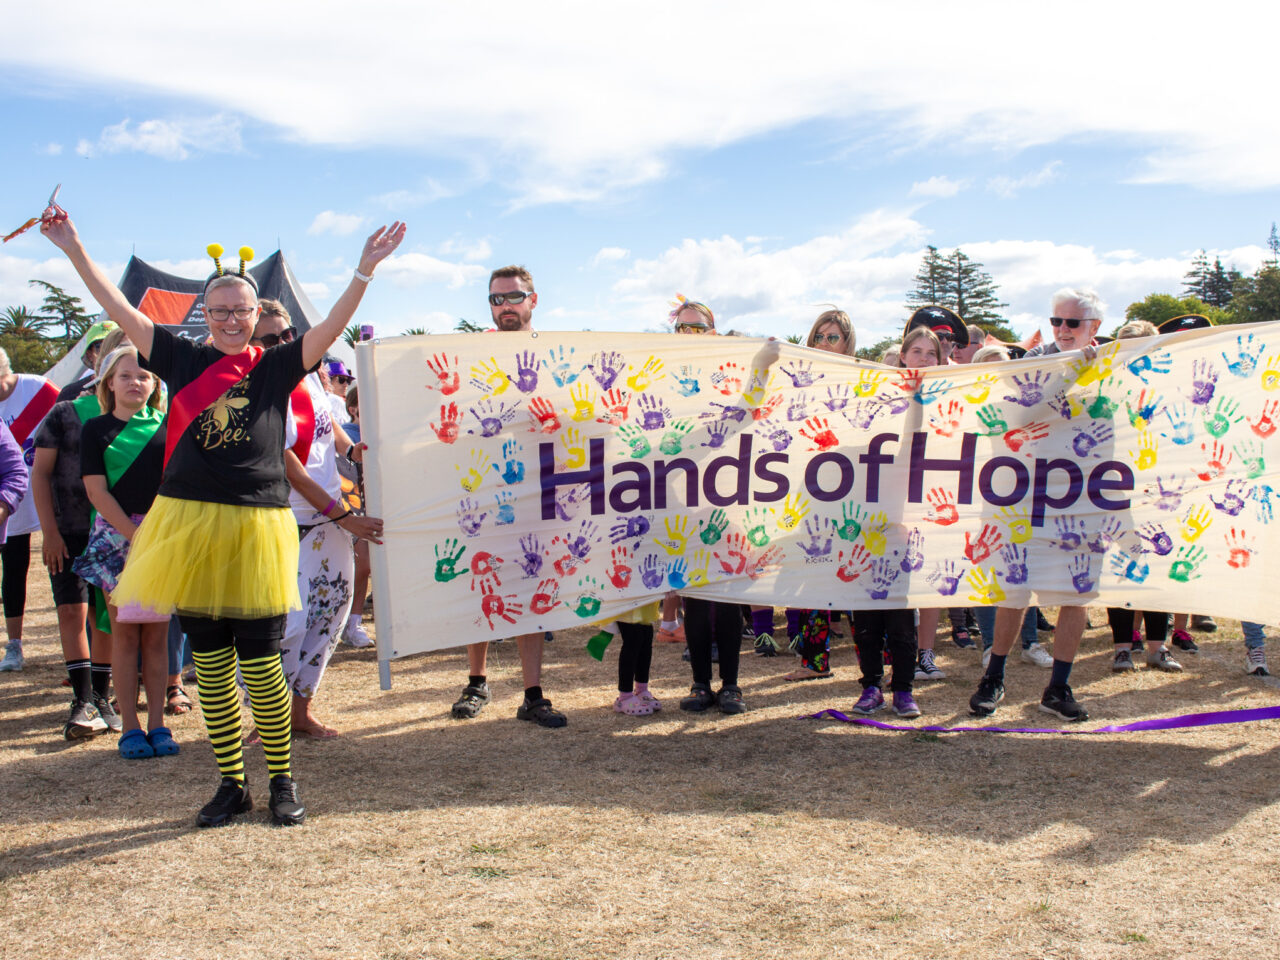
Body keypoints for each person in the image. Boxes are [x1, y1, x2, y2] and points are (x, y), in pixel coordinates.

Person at [43, 207, 404, 826]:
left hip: (256, 523)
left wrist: (363, 272)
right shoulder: (177, 358)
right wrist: (74, 248)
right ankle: (231, 783)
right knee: (209, 662)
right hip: (186, 523)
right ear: (204, 316)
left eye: (243, 310)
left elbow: (330, 328)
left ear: (257, 314)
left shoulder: (276, 365)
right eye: (221, 311)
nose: (233, 319)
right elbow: (117, 305)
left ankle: (283, 782)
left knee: (262, 662)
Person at [969, 289, 1103, 722]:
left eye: (1072, 323)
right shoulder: (1031, 364)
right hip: (1024, 496)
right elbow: (1020, 418)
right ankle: (993, 677)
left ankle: (1058, 687)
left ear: (1094, 327)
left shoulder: (1114, 368)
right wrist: (1071, 374)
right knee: (1014, 589)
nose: (1062, 330)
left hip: (1082, 496)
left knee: (1076, 593)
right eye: (1056, 321)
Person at [255, 300, 384, 738]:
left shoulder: (310, 377)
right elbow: (288, 464)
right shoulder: (255, 387)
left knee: (330, 613)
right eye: (269, 339)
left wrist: (353, 452)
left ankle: (300, 710)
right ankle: (268, 717)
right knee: (287, 623)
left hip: (329, 520)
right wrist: (345, 517)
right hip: (285, 521)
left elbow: (328, 422)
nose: (282, 344)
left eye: (286, 335)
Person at [451, 265, 567, 728]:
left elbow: (569, 414)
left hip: (535, 486)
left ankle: (533, 693)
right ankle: (476, 681)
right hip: (480, 485)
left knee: (531, 580)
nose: (505, 307)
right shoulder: (471, 353)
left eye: (514, 298)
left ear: (533, 300)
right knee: (480, 580)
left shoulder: (555, 354)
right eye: (496, 300)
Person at [76, 345, 177, 758]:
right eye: (125, 376)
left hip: (161, 539)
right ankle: (130, 727)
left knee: (157, 637)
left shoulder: (169, 425)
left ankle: (158, 723)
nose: (135, 382)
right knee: (123, 636)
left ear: (154, 384)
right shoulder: (94, 429)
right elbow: (95, 490)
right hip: (117, 538)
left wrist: (155, 535)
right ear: (108, 383)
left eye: (143, 376)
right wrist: (134, 534)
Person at [667, 298, 753, 714]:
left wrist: (767, 363)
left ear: (713, 332)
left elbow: (753, 408)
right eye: (682, 328)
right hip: (686, 501)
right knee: (696, 601)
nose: (690, 336)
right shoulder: (666, 379)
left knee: (731, 597)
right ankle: (701, 682)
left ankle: (732, 684)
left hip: (729, 495)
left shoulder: (728, 377)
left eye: (698, 328)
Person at [31, 357, 117, 737]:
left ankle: (101, 696)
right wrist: (49, 532)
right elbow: (40, 472)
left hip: (113, 532)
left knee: (106, 616)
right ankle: (81, 700)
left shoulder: (139, 418)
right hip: (69, 531)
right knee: (71, 611)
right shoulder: (65, 413)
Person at [782, 308, 857, 682]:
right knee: (815, 575)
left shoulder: (864, 380)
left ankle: (880, 665)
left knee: (858, 575)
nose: (824, 344)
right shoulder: (801, 385)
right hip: (810, 493)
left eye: (833, 338)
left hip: (855, 492)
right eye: (819, 337)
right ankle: (814, 662)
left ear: (847, 343)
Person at [0, 349, 60, 673]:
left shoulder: (40, 390)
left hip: (51, 490)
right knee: (13, 569)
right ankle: (15, 645)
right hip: (12, 501)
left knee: (60, 568)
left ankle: (74, 648)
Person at [337, 383, 374, 648]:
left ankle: (354, 623)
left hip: (367, 511)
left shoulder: (382, 435)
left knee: (363, 567)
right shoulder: (345, 435)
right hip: (340, 510)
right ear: (353, 409)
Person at [56, 320, 120, 401]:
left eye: (115, 345)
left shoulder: (135, 388)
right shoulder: (70, 394)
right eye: (100, 347)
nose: (109, 352)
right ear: (90, 355)